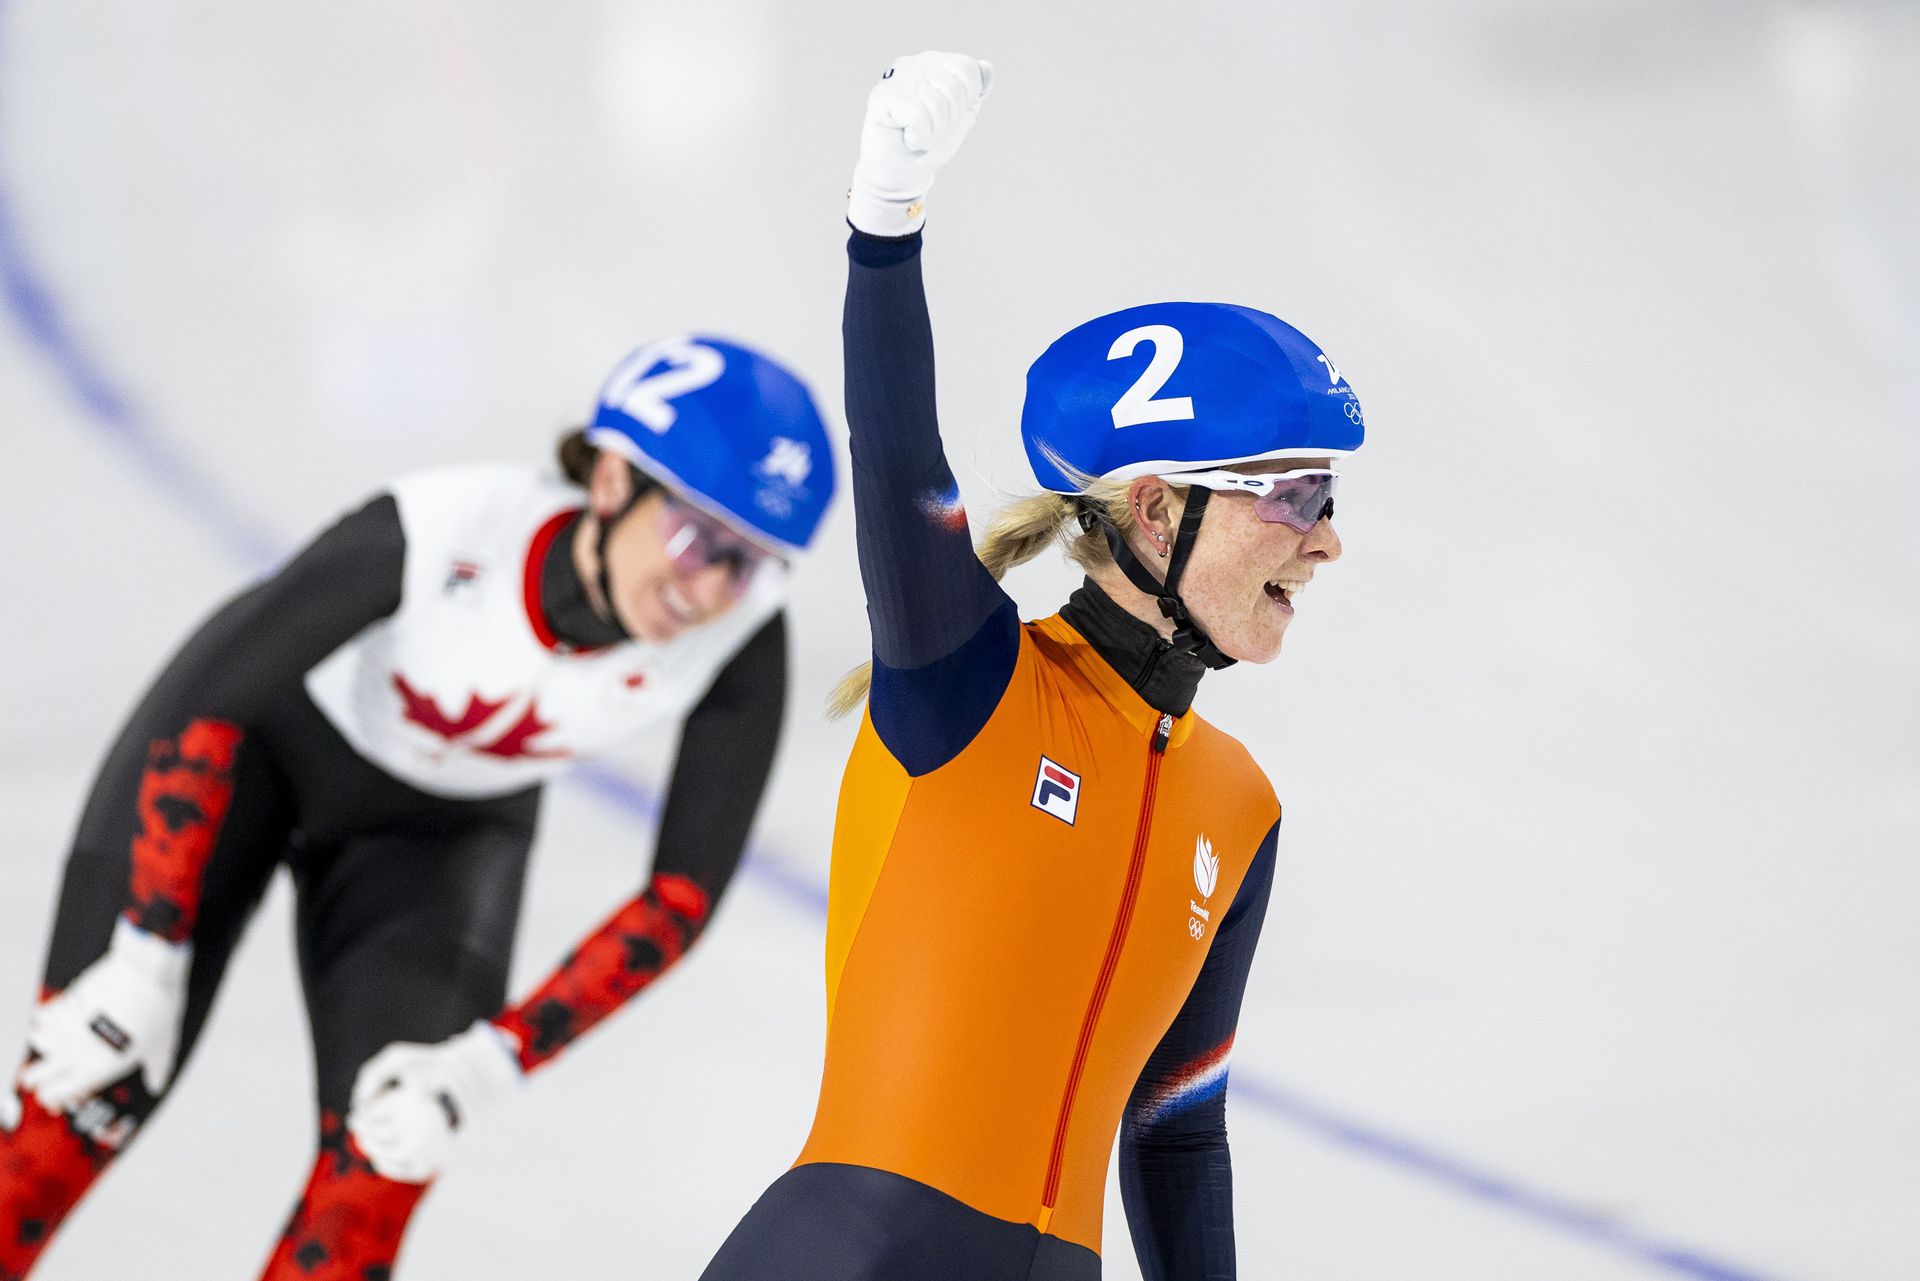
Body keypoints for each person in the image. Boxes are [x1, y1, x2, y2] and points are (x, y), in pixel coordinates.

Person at [700, 53, 1364, 1281]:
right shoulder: (970, 683)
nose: (1326, 538)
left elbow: (1177, 1135)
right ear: (1159, 513)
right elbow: (901, 461)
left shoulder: (1241, 809)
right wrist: (884, 227)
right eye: (1294, 493)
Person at [0, 335, 837, 1280]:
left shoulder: (740, 645)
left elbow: (679, 901)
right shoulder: (447, 526)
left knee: (384, 1158)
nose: (711, 590)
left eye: (754, 566)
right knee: (78, 1098)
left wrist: (486, 1066)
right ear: (611, 480)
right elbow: (209, 708)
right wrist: (148, 950)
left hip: (438, 836)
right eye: (699, 540)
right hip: (251, 759)